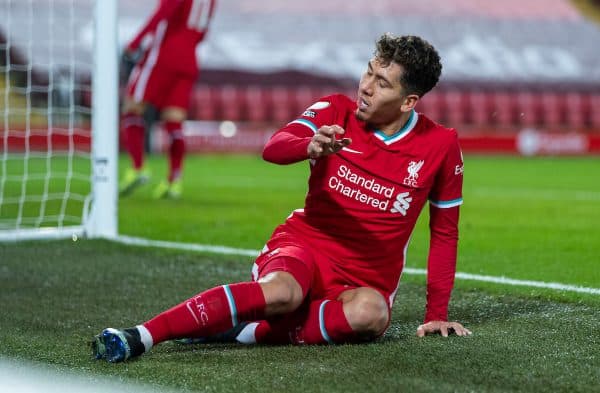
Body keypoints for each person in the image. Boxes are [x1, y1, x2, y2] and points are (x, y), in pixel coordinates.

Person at [92, 33, 471, 363]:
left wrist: (436, 313)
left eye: (382, 83)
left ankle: (243, 331)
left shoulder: (440, 146)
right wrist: (309, 145)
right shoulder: (335, 110)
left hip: (364, 278)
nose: (366, 87)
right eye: (368, 71)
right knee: (283, 293)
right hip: (304, 245)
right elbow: (274, 147)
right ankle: (142, 335)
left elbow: (444, 233)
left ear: (409, 101)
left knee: (372, 316)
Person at [119, 0, 217, 199]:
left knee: (132, 108)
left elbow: (163, 12)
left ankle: (138, 168)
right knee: (174, 121)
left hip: (162, 56)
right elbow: (203, 31)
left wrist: (134, 43)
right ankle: (174, 181)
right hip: (189, 59)